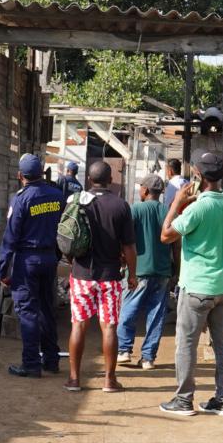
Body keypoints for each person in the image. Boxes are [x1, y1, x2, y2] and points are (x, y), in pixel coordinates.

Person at [158, 150, 223, 417]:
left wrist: (176, 202)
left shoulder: (199, 208)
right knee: (222, 345)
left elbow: (166, 235)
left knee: (186, 343)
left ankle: (183, 400)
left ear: (197, 175)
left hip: (197, 288)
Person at [65, 160, 135, 393]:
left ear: (89, 180)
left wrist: (71, 260)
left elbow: (66, 236)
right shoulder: (120, 206)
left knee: (79, 325)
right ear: (110, 180)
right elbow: (128, 247)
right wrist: (132, 275)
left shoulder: (77, 202)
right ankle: (109, 380)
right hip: (110, 277)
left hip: (82, 274)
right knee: (109, 328)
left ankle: (74, 379)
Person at [0, 153, 65, 378]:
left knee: (27, 312)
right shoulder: (58, 196)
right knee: (47, 309)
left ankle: (31, 364)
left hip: (27, 261)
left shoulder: (21, 199)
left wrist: (2, 268)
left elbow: (11, 237)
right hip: (49, 259)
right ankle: (51, 360)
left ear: (20, 176)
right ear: (42, 173)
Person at [117, 173, 172, 371]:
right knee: (156, 315)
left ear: (146, 190)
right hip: (163, 270)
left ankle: (124, 350)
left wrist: (122, 260)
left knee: (129, 309)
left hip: (139, 269)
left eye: (141, 187)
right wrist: (176, 270)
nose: (139, 190)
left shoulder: (136, 209)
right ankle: (148, 358)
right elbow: (176, 243)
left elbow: (125, 240)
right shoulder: (167, 211)